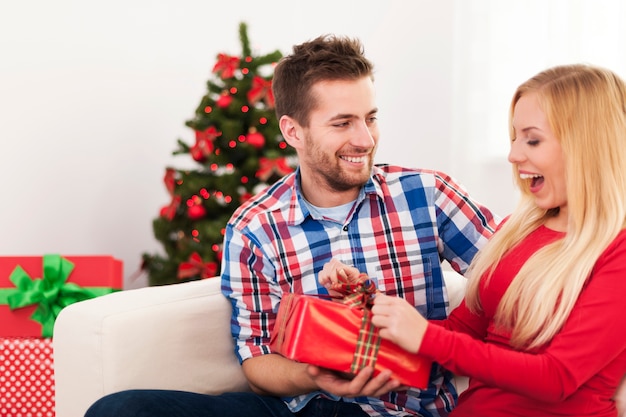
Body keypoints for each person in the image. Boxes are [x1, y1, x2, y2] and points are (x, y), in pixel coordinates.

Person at [84, 35, 498, 417]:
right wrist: (312, 376)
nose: (365, 139)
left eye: (370, 118)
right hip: (301, 408)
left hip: (404, 411)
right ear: (292, 131)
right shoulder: (254, 228)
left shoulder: (428, 194)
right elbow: (257, 360)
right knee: (120, 411)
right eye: (342, 123)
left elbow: (521, 279)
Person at [331, 64, 626, 416]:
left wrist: (425, 336)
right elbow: (462, 333)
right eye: (514, 138)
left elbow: (556, 377)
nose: (514, 155)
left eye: (532, 139)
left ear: (587, 145)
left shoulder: (616, 250)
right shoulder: (520, 231)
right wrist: (372, 308)